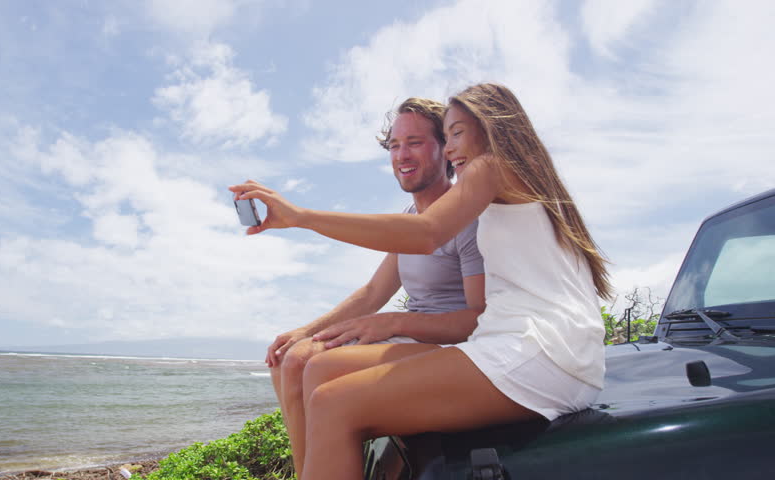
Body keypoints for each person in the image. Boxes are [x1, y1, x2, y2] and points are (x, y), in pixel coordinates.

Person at [230, 83, 611, 480]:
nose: (449, 149)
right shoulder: (504, 185)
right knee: (324, 388)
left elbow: (427, 234)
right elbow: (378, 285)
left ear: (492, 126)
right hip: (533, 349)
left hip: (541, 353)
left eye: (456, 133)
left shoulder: (492, 167)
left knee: (333, 403)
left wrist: (301, 217)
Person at [266, 97, 486, 478]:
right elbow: (372, 294)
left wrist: (394, 323)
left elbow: (477, 320)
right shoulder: (411, 217)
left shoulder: (464, 216)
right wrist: (306, 330)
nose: (402, 154)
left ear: (445, 149)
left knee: (308, 363)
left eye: (415, 142)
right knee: (288, 357)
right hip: (409, 339)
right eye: (395, 145)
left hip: (449, 348)